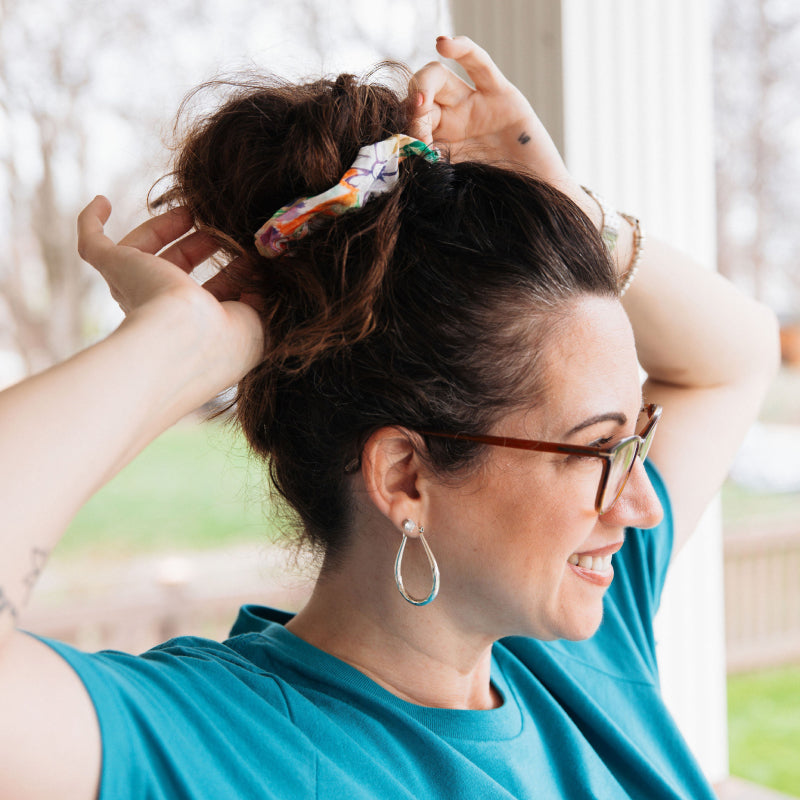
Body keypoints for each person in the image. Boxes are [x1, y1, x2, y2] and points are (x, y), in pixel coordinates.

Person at [0, 36, 779, 800]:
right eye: (597, 450)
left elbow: (736, 356)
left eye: (635, 439)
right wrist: (179, 348)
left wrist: (567, 209)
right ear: (405, 477)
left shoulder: (571, 637)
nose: (640, 507)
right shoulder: (225, 745)